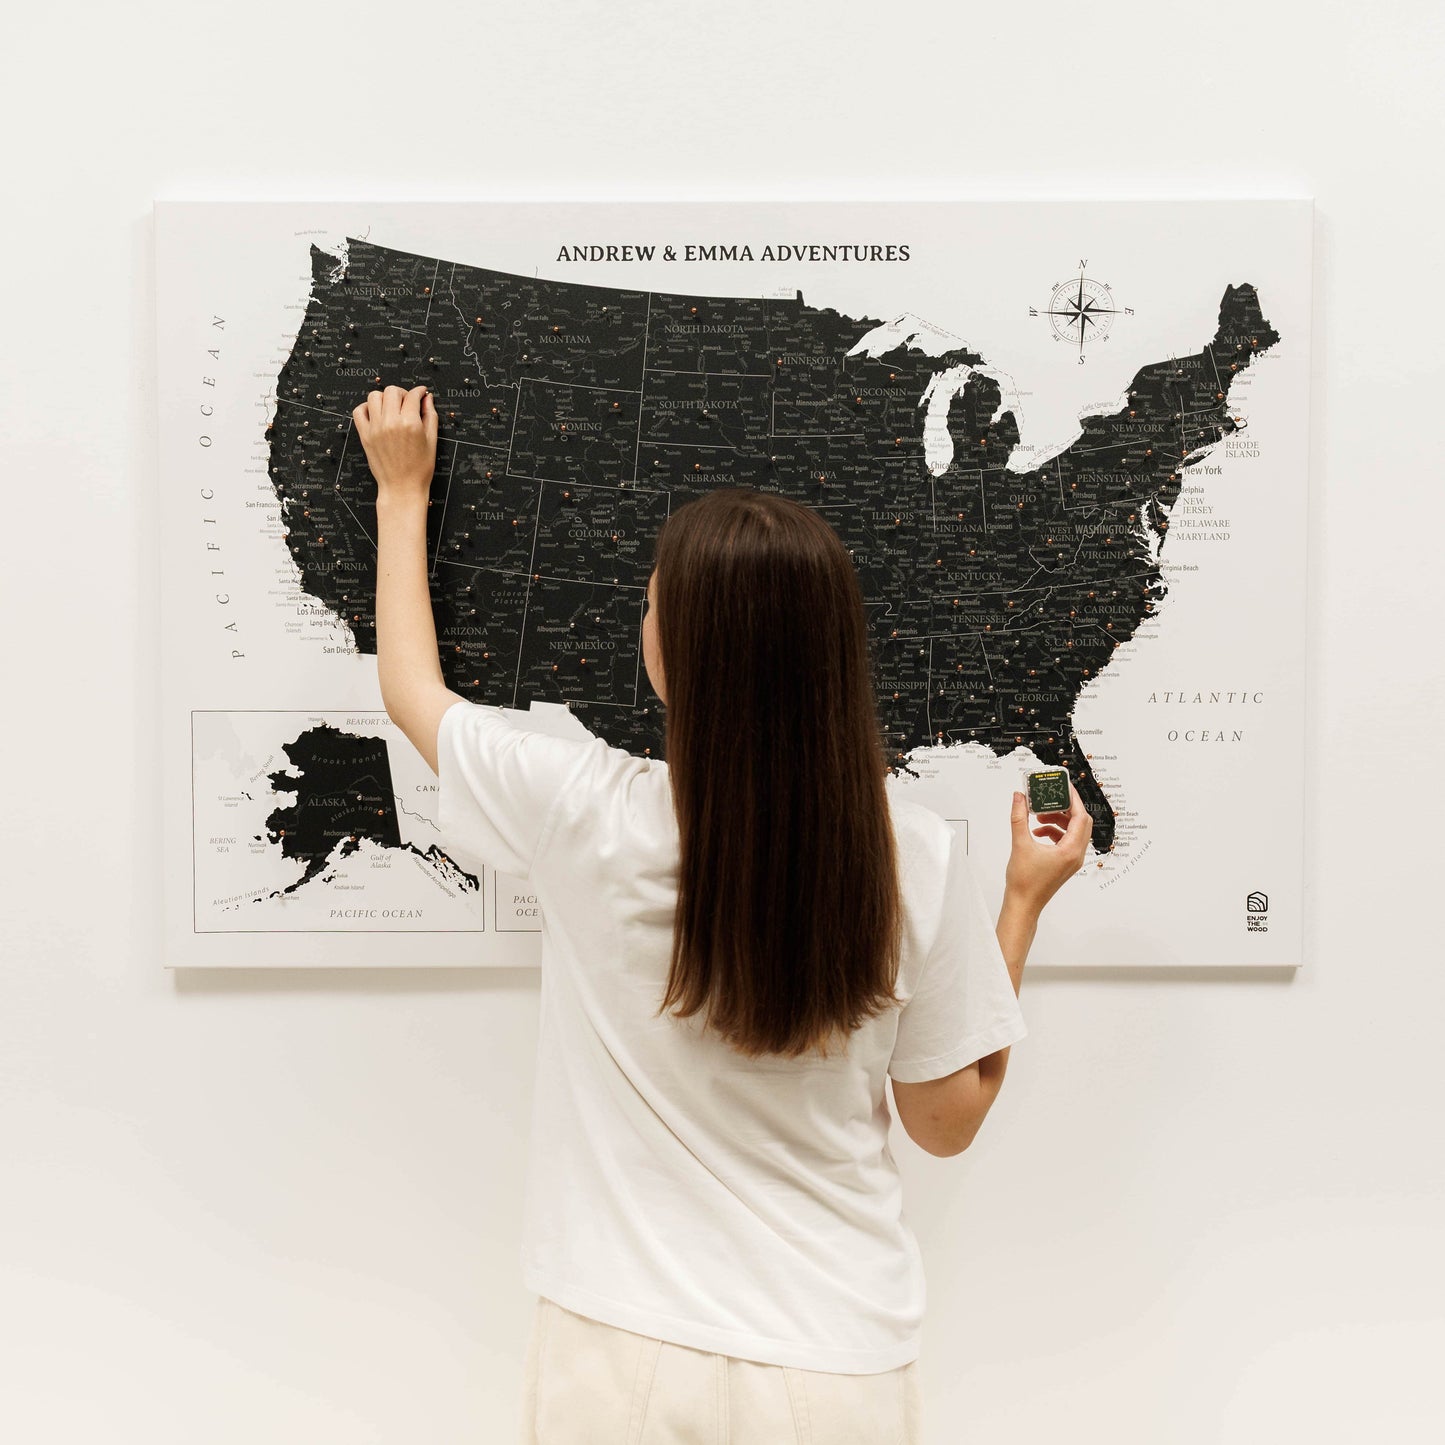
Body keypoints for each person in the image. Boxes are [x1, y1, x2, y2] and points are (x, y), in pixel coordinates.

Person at [353, 383, 1093, 1443]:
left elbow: (411, 688)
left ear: (679, 653)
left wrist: (401, 490)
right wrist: (1019, 901)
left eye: (650, 604)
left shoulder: (581, 810)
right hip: (835, 1362)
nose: (637, 617)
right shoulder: (913, 855)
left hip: (614, 1354)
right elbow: (945, 1117)